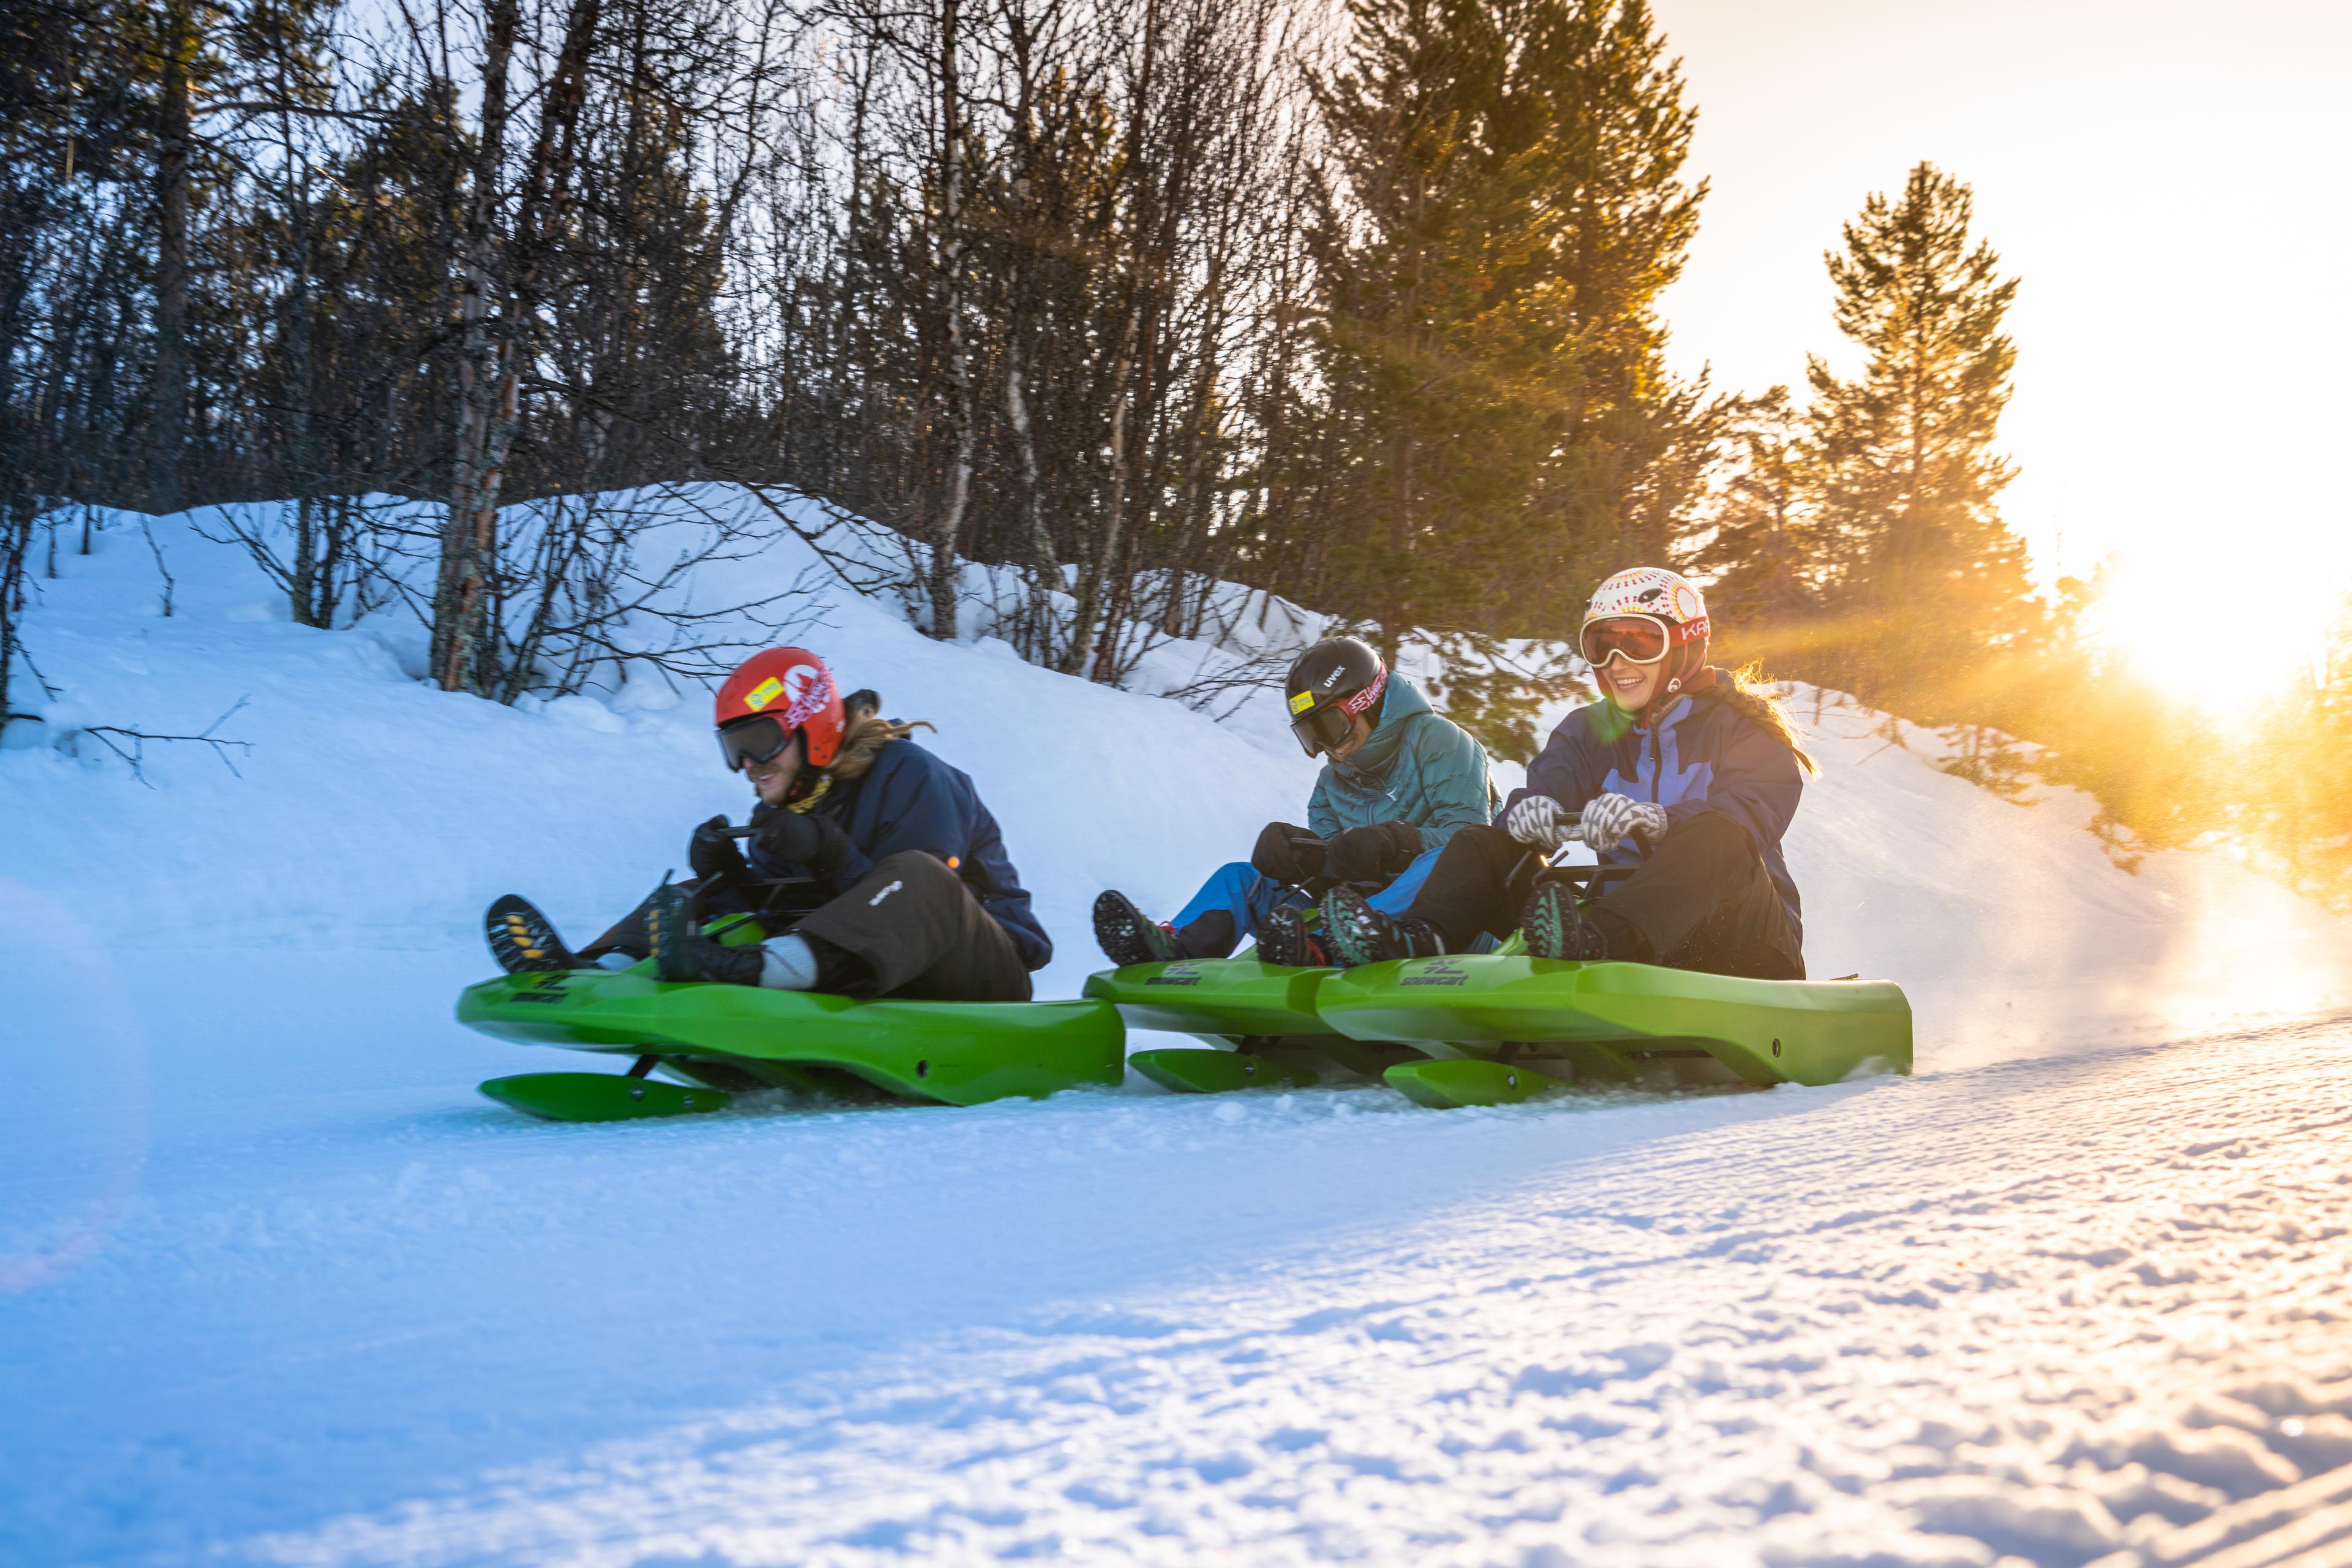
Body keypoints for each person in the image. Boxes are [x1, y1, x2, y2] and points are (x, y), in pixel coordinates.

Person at [1316, 567, 1817, 979]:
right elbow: (1541, 794)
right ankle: (1413, 943)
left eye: (1639, 643)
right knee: (1483, 843)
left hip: (1740, 945)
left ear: (1684, 645)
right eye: (1602, 646)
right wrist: (1529, 818)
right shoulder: (1588, 730)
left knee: (1720, 835)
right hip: (1614, 934)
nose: (1617, 662)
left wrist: (1658, 819)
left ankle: (1600, 949)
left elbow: (1750, 817)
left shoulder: (1745, 728)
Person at [481, 646, 1050, 1001]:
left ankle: (735, 972)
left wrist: (829, 854)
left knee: (919, 876)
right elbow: (777, 913)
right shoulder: (780, 810)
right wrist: (729, 877)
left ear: (811, 728)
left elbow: (918, 915)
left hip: (980, 973)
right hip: (860, 967)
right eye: (735, 750)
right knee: (691, 892)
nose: (749, 767)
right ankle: (595, 970)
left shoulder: (913, 777)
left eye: (759, 743)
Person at [1093, 635, 1493, 968]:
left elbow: (1472, 845)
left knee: (1442, 858)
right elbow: (1340, 877)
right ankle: (1177, 948)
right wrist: (1308, 856)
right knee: (1241, 877)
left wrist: (1396, 841)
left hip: (1442, 927)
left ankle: (1320, 944)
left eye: (1330, 727)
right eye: (1311, 735)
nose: (1327, 749)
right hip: (1353, 926)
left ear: (1366, 700)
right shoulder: (1329, 786)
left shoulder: (1439, 740)